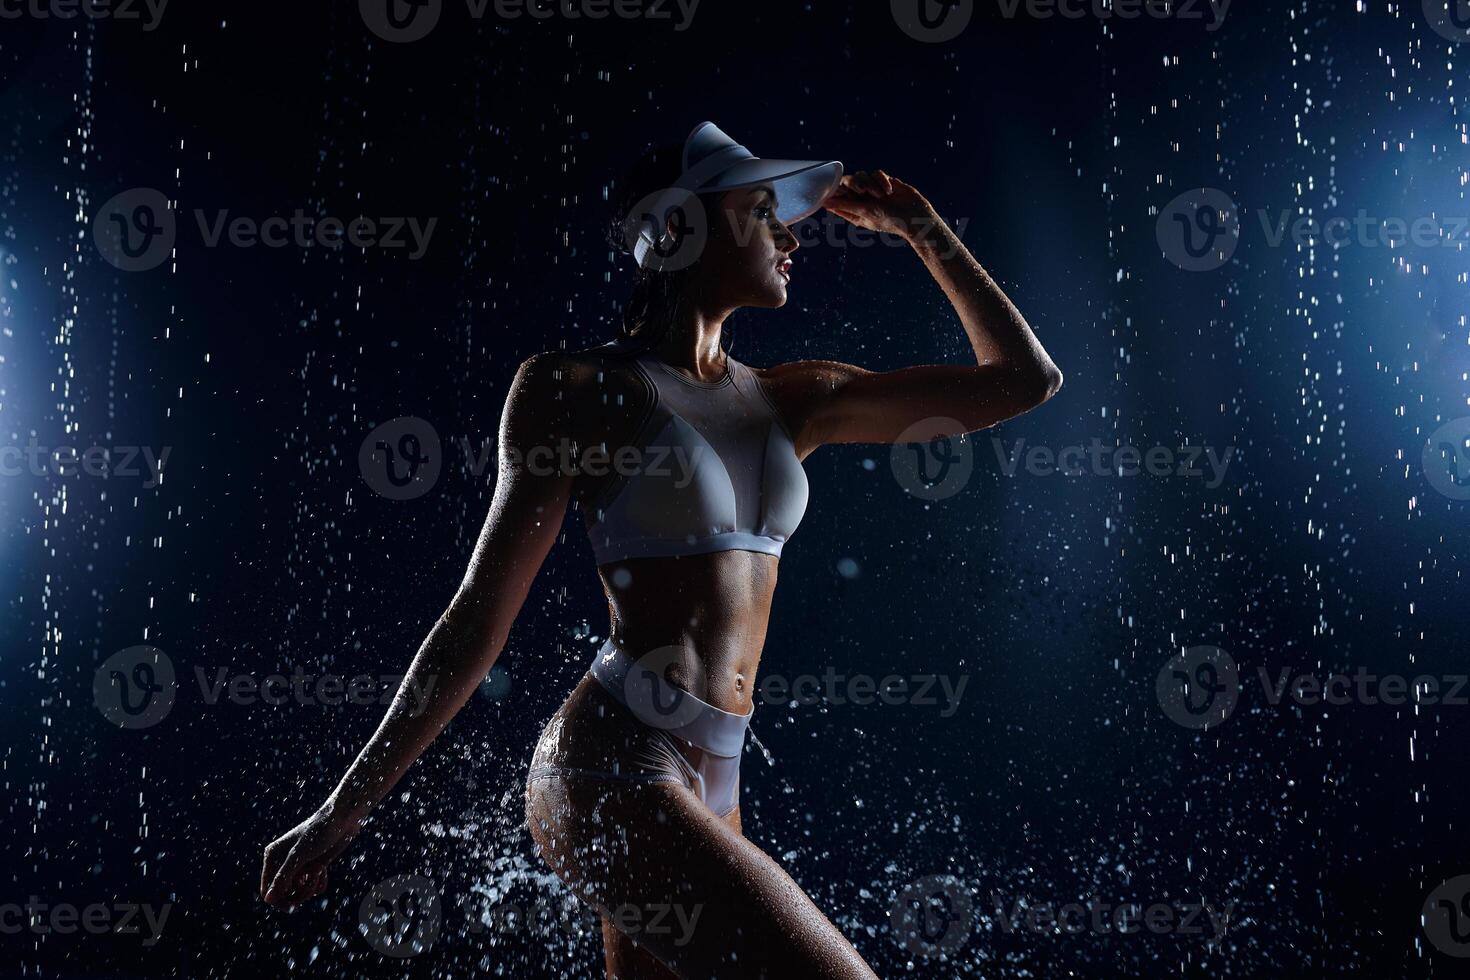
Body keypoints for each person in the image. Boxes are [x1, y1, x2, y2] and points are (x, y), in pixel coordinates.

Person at [261, 121, 1063, 979]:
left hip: (714, 789)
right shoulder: (573, 390)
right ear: (678, 228)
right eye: (761, 213)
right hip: (612, 768)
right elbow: (476, 623)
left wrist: (924, 230)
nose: (791, 233)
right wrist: (342, 812)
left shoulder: (795, 399)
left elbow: (1022, 380)